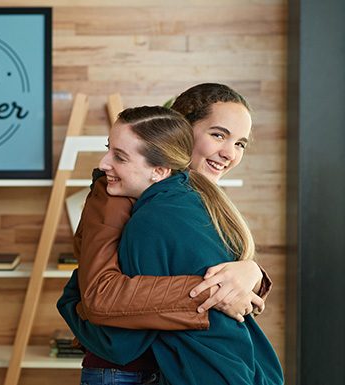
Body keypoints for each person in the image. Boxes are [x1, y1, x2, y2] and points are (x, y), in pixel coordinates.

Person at [57, 106, 283, 384]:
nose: (229, 152)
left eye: (239, 143)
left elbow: (238, 300)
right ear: (186, 133)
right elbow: (102, 300)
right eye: (218, 135)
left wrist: (251, 273)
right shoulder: (121, 196)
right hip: (126, 371)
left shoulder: (194, 199)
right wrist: (212, 291)